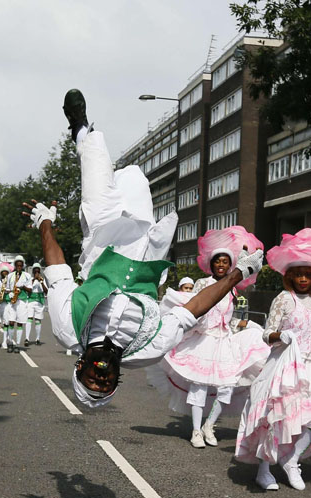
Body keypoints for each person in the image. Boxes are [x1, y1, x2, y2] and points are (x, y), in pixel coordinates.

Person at [26, 89, 264, 407]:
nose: (101, 375)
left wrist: (44, 223)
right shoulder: (147, 350)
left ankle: (80, 129)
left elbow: (58, 273)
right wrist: (238, 274)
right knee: (135, 175)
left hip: (101, 237)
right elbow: (191, 309)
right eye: (105, 383)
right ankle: (89, 141)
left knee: (97, 162)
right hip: (145, 245)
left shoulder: (68, 330)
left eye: (92, 379)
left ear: (80, 367)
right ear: (115, 380)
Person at [235, 229, 311, 491]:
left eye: (307, 274)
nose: (302, 278)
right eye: (298, 274)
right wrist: (281, 335)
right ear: (289, 276)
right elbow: (267, 334)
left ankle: (292, 459)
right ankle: (264, 470)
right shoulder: (283, 299)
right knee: (277, 418)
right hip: (284, 367)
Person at [148, 226, 271, 448]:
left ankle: (209, 426)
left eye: (225, 262)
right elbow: (196, 310)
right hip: (203, 339)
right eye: (218, 262)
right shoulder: (202, 284)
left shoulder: (233, 289)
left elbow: (230, 318)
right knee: (199, 386)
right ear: (211, 264)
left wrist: (247, 325)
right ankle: (196, 430)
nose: (222, 265)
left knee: (226, 387)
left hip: (224, 341)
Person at [4, 255, 31, 352]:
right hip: (12, 301)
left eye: (21, 265)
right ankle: (10, 342)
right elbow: (6, 288)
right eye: (17, 265)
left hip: (22, 301)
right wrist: (10, 293)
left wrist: (23, 286)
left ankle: (17, 345)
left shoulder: (27, 276)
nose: (19, 267)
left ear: (23, 266)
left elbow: (30, 290)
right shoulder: (10, 276)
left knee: (20, 323)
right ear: (15, 266)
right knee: (11, 322)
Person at [24, 263, 48, 346]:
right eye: (35, 270)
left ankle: (37, 338)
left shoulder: (43, 280)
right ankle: (27, 338)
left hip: (40, 302)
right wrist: (34, 279)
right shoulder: (30, 279)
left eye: (38, 270)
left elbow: (46, 291)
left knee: (38, 320)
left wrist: (41, 282)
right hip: (30, 301)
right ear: (33, 271)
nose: (37, 272)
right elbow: (29, 290)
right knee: (29, 319)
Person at [0, 263, 12, 349]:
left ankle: (4, 341)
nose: (4, 275)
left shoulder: (10, 284)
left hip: (6, 304)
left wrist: (7, 291)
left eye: (6, 273)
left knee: (6, 323)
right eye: (3, 273)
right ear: (0, 274)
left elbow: (12, 293)